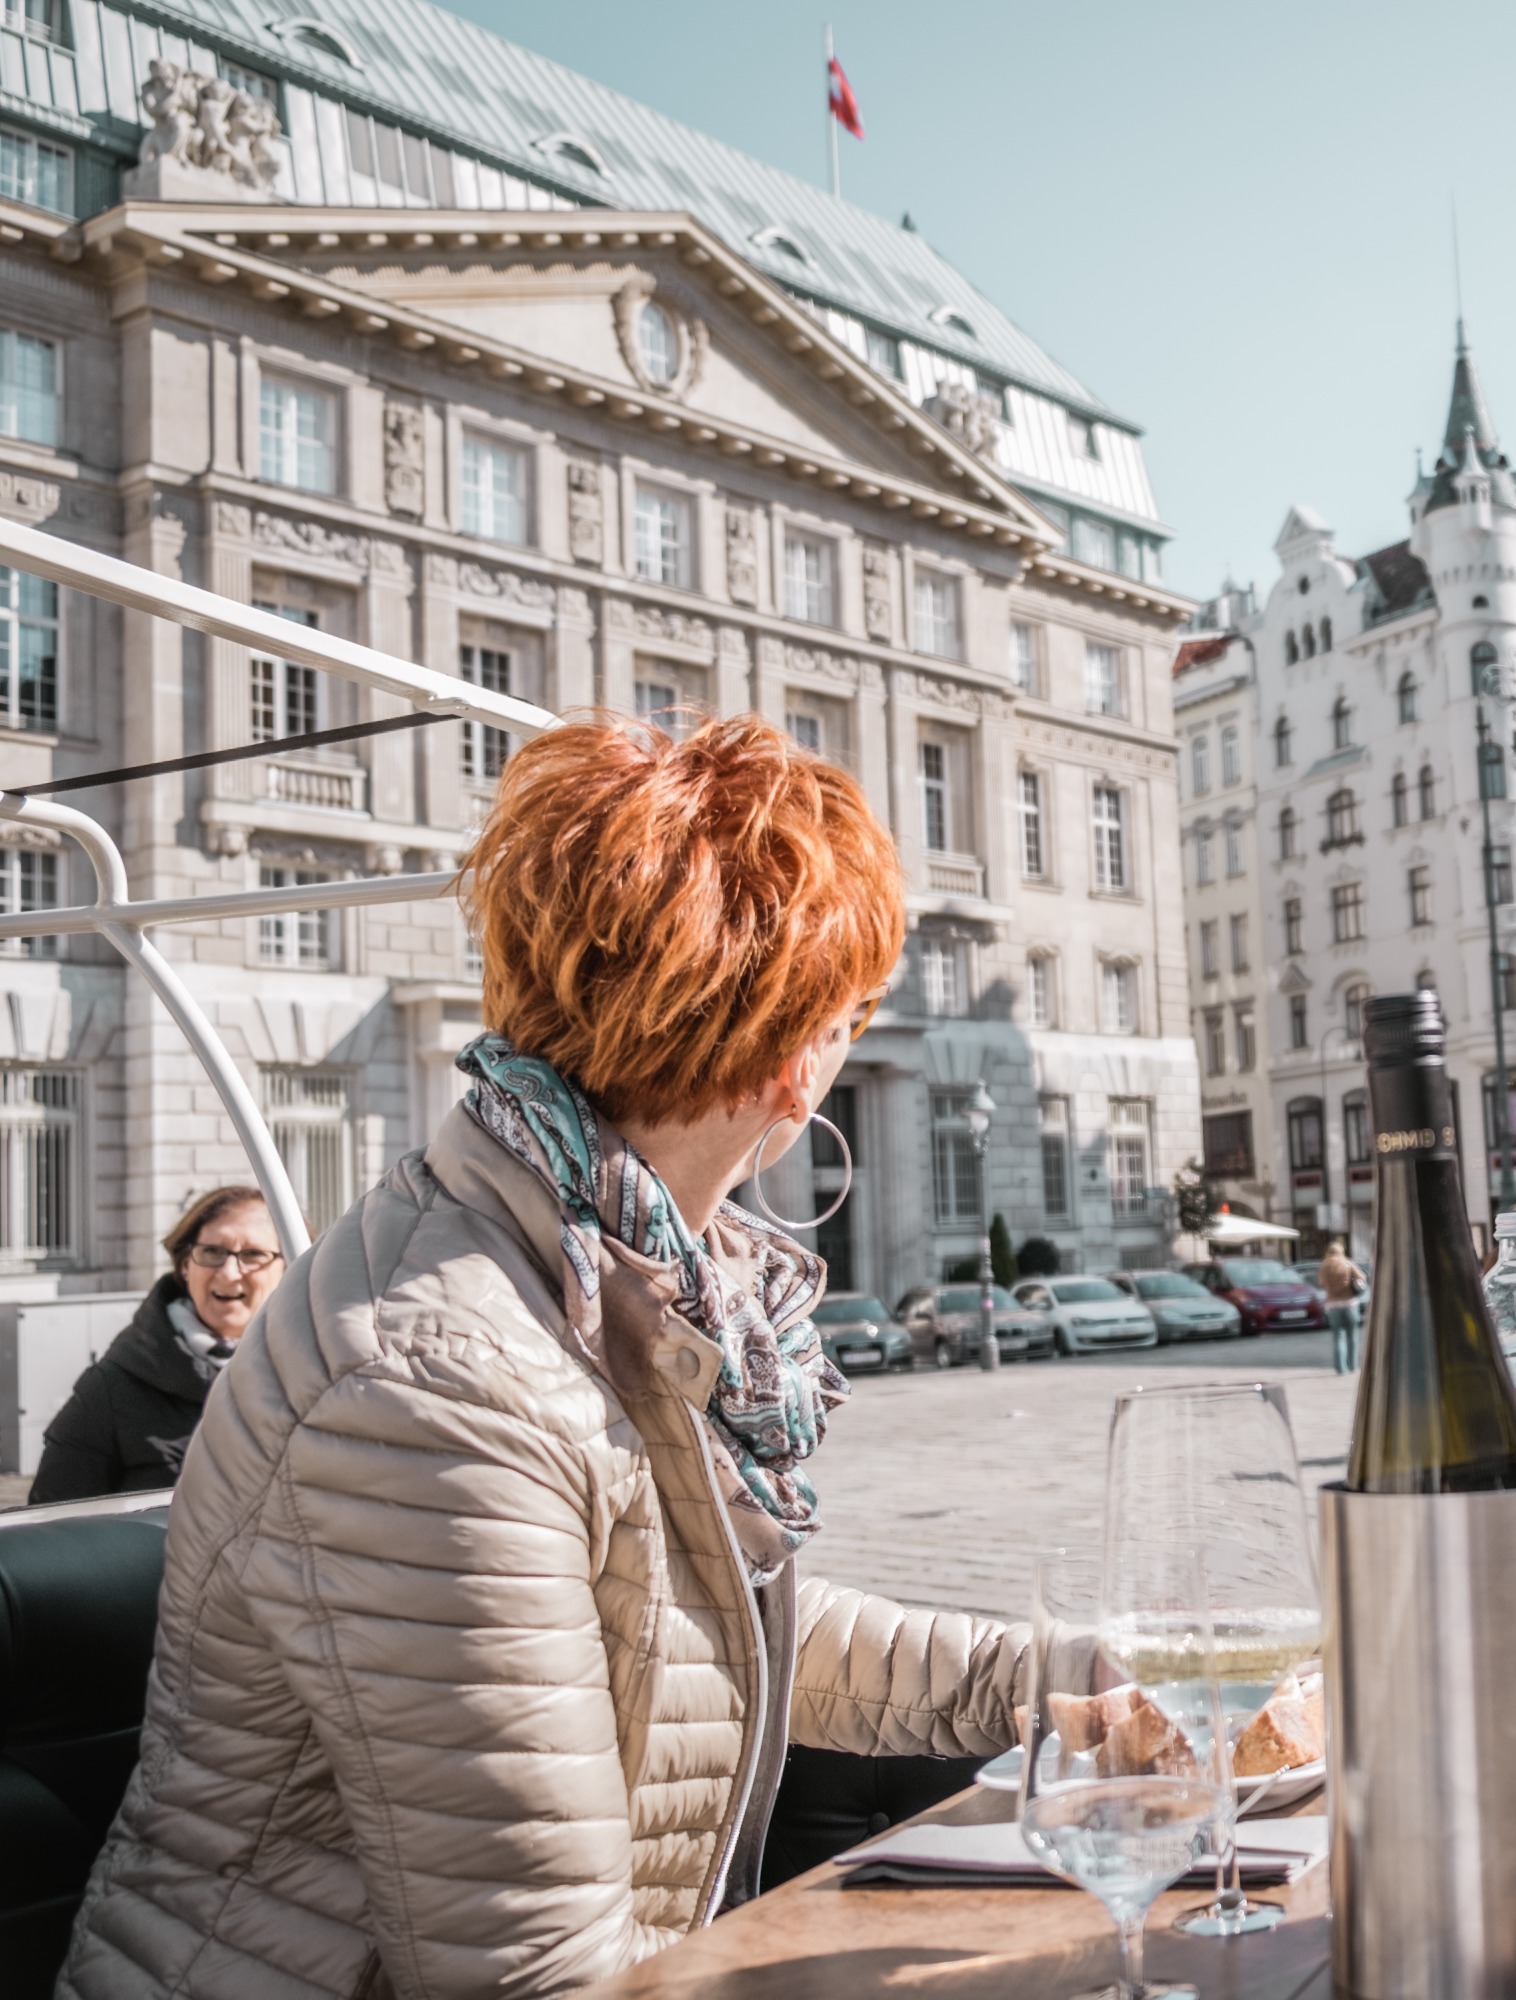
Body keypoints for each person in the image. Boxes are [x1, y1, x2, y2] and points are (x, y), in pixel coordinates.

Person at [62, 715, 1025, 1998]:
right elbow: (535, 1973)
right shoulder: (440, 1376)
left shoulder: (598, 1256)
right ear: (802, 1066)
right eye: (852, 1011)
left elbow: (694, 1632)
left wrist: (1070, 1679)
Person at [27, 1187, 283, 1503]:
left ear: (289, 1268)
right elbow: (53, 1527)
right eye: (212, 1252)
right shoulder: (111, 1389)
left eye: (253, 1254)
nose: (229, 1273)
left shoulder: (325, 1376)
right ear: (185, 1265)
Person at [1318, 1239, 1364, 1373]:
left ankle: (1340, 1368)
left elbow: (1321, 1282)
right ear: (1341, 1251)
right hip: (1350, 1303)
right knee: (1352, 1335)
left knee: (1338, 1336)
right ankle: (1353, 1365)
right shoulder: (1348, 1263)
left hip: (1332, 1305)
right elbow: (1362, 1277)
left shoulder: (1324, 1266)